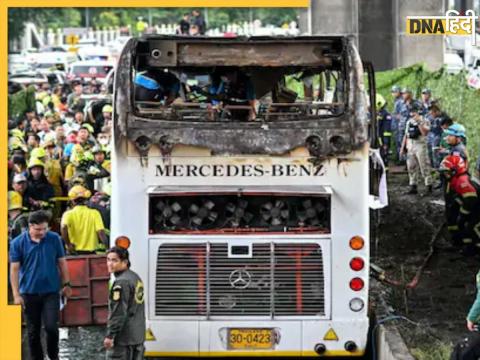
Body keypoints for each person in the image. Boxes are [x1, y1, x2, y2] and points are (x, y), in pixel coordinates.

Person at [10, 210, 72, 360]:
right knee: (33, 331)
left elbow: (62, 263)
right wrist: (16, 294)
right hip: (29, 293)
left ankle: (53, 356)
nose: (42, 232)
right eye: (38, 229)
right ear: (30, 227)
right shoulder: (17, 243)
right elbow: (14, 269)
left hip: (51, 292)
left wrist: (67, 284)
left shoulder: (54, 239)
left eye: (45, 228)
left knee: (51, 328)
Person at [104, 246, 146, 360]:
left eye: (114, 260)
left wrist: (110, 335)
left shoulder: (121, 282)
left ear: (125, 262)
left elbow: (118, 312)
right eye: (108, 259)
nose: (110, 264)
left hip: (123, 340)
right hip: (137, 336)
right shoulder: (134, 277)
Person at [440, 155, 480, 254]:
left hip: (477, 209)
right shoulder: (456, 180)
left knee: (472, 227)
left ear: (455, 170)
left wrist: (463, 215)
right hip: (474, 207)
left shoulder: (462, 181)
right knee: (464, 226)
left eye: (447, 172)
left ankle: (475, 248)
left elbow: (471, 199)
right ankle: (467, 246)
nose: (445, 175)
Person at [61, 185, 107, 254]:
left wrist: (68, 244)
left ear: (72, 201)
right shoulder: (94, 213)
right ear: (86, 200)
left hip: (74, 252)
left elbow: (64, 228)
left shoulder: (68, 214)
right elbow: (100, 232)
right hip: (91, 252)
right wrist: (107, 247)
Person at [400, 102, 432, 195]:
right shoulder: (409, 122)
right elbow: (406, 135)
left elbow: (424, 133)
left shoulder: (424, 121)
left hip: (420, 144)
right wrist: (403, 148)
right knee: (411, 166)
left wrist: (419, 123)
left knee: (424, 166)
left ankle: (428, 185)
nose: (412, 114)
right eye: (411, 112)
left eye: (414, 111)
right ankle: (413, 185)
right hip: (410, 145)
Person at [376, 94, 392, 169]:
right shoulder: (376, 113)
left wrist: (386, 143)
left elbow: (387, 131)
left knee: (383, 156)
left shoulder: (386, 115)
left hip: (382, 140)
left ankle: (385, 172)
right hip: (376, 139)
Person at [390, 85, 403, 161]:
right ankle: (399, 158)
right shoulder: (396, 101)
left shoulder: (400, 102)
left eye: (395, 92)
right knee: (397, 142)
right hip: (395, 126)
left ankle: (401, 159)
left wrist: (394, 116)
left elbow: (400, 115)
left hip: (399, 126)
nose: (393, 93)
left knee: (400, 142)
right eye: (392, 92)